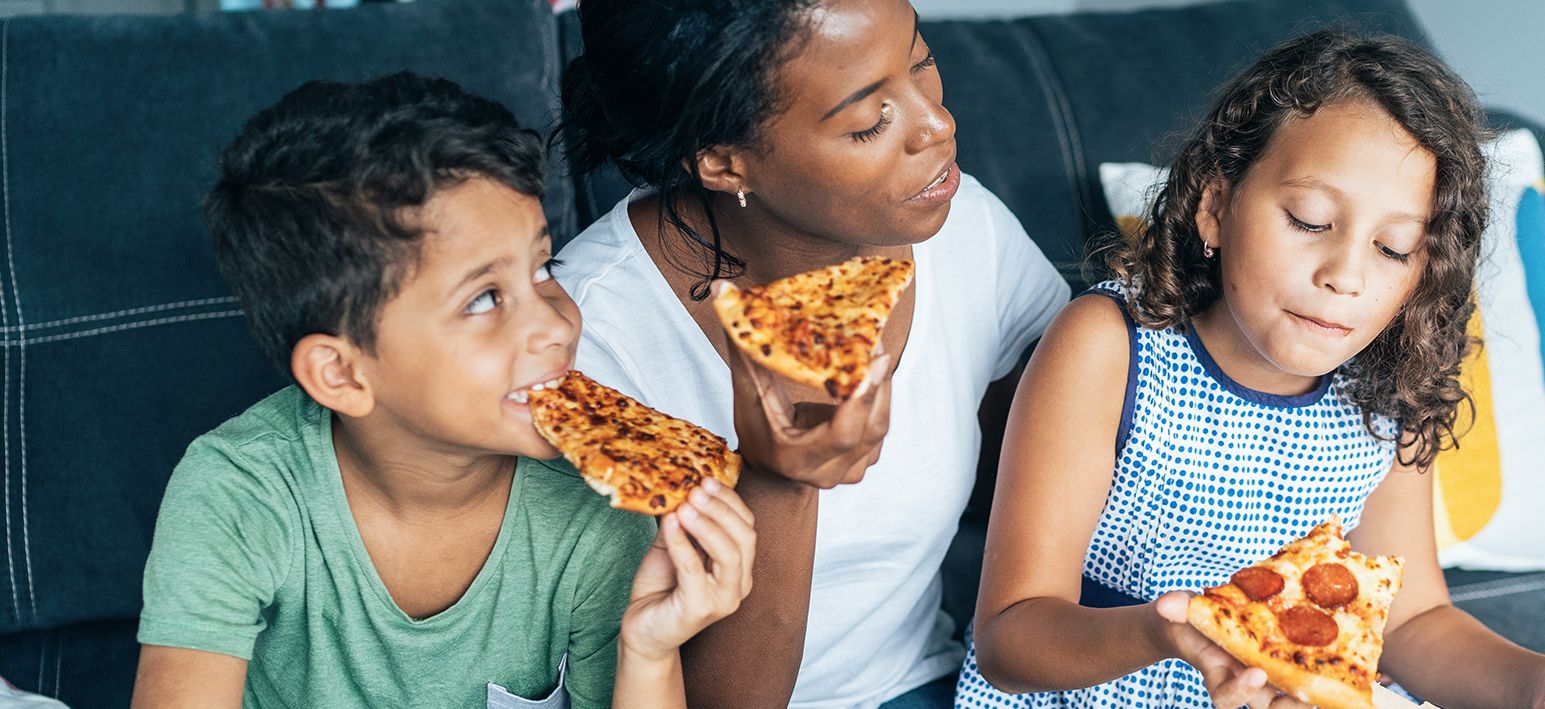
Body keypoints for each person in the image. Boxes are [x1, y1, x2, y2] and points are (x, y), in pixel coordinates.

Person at [955, 31, 1545, 709]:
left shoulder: (1385, 394)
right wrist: (1168, 633)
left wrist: (1539, 684)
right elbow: (1010, 635)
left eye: (1392, 248)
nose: (1344, 275)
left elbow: (1411, 620)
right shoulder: (1110, 346)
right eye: (1307, 219)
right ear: (1214, 205)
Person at [131, 72, 754, 709]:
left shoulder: (596, 513)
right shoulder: (242, 493)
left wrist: (647, 650)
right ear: (342, 374)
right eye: (484, 298)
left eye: (543, 268)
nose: (554, 322)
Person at [554, 1, 1071, 706]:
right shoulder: (583, 341)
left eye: (922, 63)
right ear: (722, 161)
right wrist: (777, 480)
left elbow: (1062, 480)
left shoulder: (964, 227)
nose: (937, 125)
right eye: (869, 122)